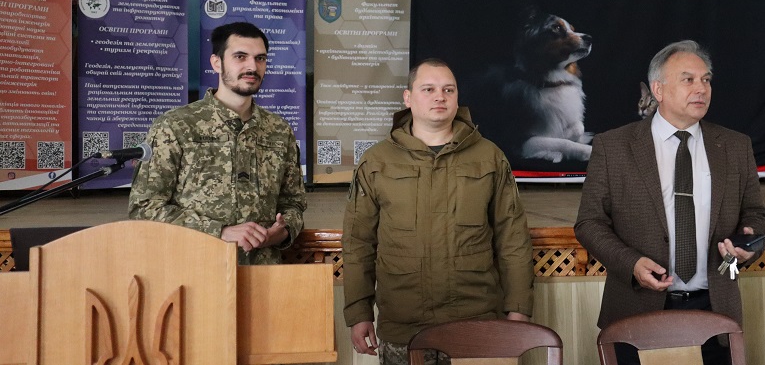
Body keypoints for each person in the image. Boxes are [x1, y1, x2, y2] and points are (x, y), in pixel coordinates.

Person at [574, 40, 765, 365]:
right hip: (637, 309)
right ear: (658, 90)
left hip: (716, 311)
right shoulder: (614, 146)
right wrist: (631, 264)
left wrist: (749, 244)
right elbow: (589, 223)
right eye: (688, 79)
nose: (701, 89)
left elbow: (756, 215)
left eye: (706, 80)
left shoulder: (735, 146)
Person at [342, 58, 534, 365]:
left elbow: (513, 240)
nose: (439, 97)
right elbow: (358, 243)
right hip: (403, 327)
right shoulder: (377, 161)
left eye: (448, 90)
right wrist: (358, 312)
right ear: (408, 97)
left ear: (457, 98)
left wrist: (519, 308)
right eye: (428, 89)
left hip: (475, 323)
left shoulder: (489, 157)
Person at [129, 22, 306, 265]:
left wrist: (282, 232)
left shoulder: (279, 131)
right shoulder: (176, 125)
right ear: (216, 62)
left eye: (260, 58)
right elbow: (144, 208)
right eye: (240, 57)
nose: (252, 67)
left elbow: (294, 203)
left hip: (263, 273)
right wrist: (219, 231)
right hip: (196, 270)